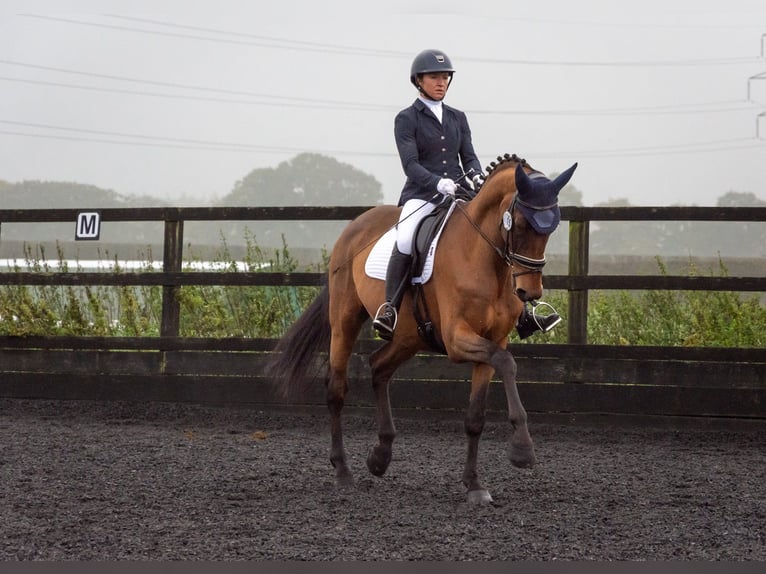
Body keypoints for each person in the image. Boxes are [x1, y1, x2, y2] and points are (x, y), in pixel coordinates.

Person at [372, 48, 560, 341]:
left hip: (461, 191)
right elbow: (410, 165)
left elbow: (469, 157)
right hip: (423, 194)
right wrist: (437, 183)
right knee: (407, 236)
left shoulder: (458, 117)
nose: (441, 82)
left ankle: (524, 313)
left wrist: (474, 175)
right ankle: (389, 308)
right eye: (434, 77)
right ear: (418, 81)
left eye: (445, 77)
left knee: (500, 233)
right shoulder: (407, 118)